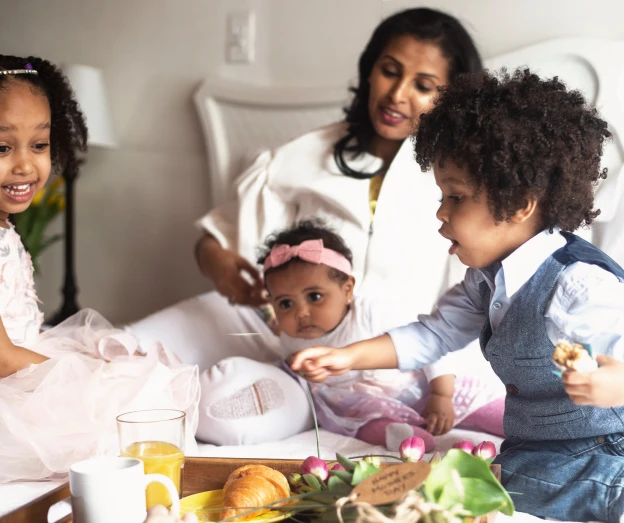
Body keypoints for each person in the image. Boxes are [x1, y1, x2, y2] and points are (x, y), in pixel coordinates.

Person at [290, 69, 624, 523]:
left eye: (456, 197)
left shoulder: (575, 285)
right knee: (494, 474)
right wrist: (349, 358)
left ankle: (620, 486)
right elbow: (433, 335)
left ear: (518, 204)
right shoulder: (486, 279)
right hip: (566, 436)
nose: (440, 213)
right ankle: (596, 478)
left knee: (508, 484)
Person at [125, 7, 488, 375]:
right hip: (282, 337)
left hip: (397, 358)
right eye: (389, 71)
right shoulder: (303, 155)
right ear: (370, 70)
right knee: (127, 350)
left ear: (450, 98)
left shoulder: (460, 184)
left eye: (423, 86)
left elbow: (467, 298)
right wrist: (221, 268)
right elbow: (214, 240)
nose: (397, 94)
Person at [0, 55, 199, 483]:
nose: (24, 165)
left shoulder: (4, 227)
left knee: (131, 366)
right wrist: (86, 379)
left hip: (23, 362)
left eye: (38, 145)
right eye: (2, 147)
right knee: (120, 405)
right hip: (7, 382)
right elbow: (3, 356)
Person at [197, 220, 503, 450]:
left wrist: (441, 395)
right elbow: (302, 372)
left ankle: (512, 420)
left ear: (347, 290)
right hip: (362, 402)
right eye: (285, 303)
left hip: (416, 385)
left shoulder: (371, 311)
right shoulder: (291, 335)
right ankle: (402, 437)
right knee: (358, 422)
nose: (300, 313)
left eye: (314, 296)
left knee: (476, 402)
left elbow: (432, 345)